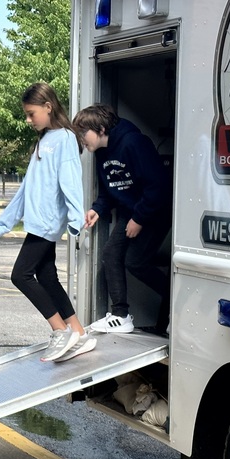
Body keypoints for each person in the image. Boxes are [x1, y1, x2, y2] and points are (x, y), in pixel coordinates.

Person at [0, 83, 95, 363]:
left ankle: (60, 331)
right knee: (47, 277)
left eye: (31, 113)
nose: (28, 120)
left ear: (48, 107)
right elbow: (28, 187)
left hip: (48, 222)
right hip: (38, 221)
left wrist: (75, 217)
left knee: (20, 275)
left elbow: (70, 181)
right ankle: (78, 331)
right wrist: (6, 220)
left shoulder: (64, 139)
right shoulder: (44, 140)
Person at [72, 105, 172, 335]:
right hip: (133, 211)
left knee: (135, 262)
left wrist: (139, 218)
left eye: (83, 133)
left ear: (101, 128)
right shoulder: (101, 153)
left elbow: (158, 187)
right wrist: (97, 208)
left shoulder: (133, 143)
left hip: (154, 211)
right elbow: (110, 189)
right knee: (110, 254)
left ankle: (173, 296)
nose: (82, 140)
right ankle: (120, 315)